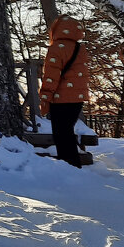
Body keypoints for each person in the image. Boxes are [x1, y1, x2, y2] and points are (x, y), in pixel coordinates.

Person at [39, 14, 91, 168]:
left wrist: (45, 97)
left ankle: (69, 167)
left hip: (60, 98)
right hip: (78, 98)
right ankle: (72, 165)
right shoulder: (80, 48)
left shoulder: (56, 48)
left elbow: (51, 76)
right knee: (68, 133)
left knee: (61, 135)